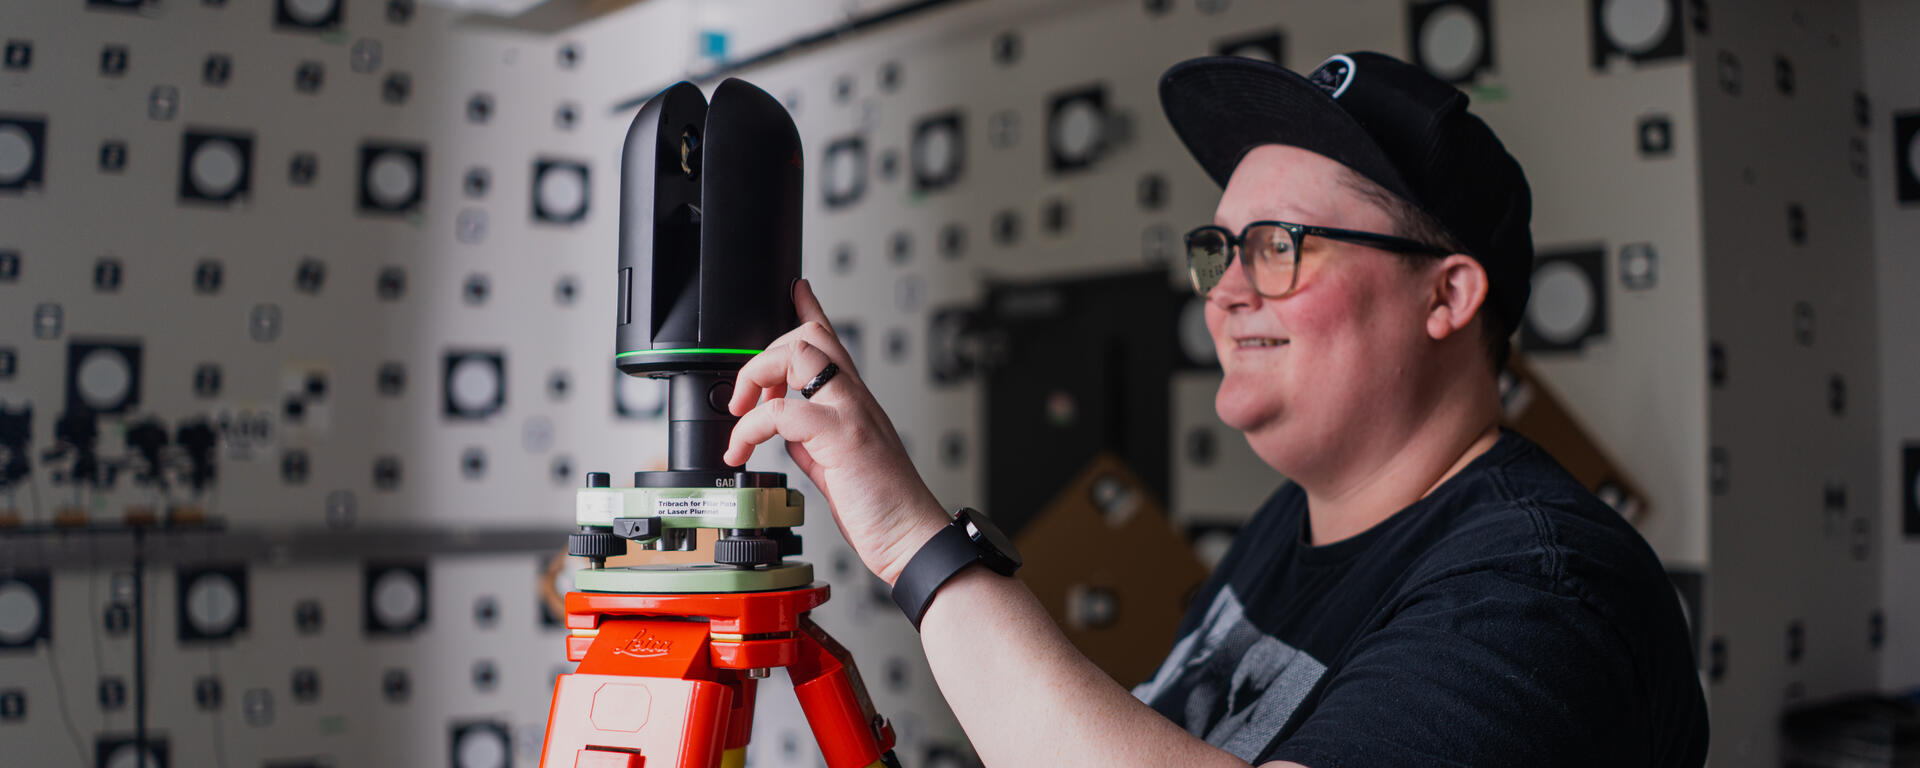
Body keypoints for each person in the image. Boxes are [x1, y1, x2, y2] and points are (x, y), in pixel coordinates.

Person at [722, 51, 1709, 767]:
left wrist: (910, 536)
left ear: (1447, 297)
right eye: (1219, 248)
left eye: (1280, 244)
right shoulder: (1301, 518)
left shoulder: (1546, 596)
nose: (1225, 292)